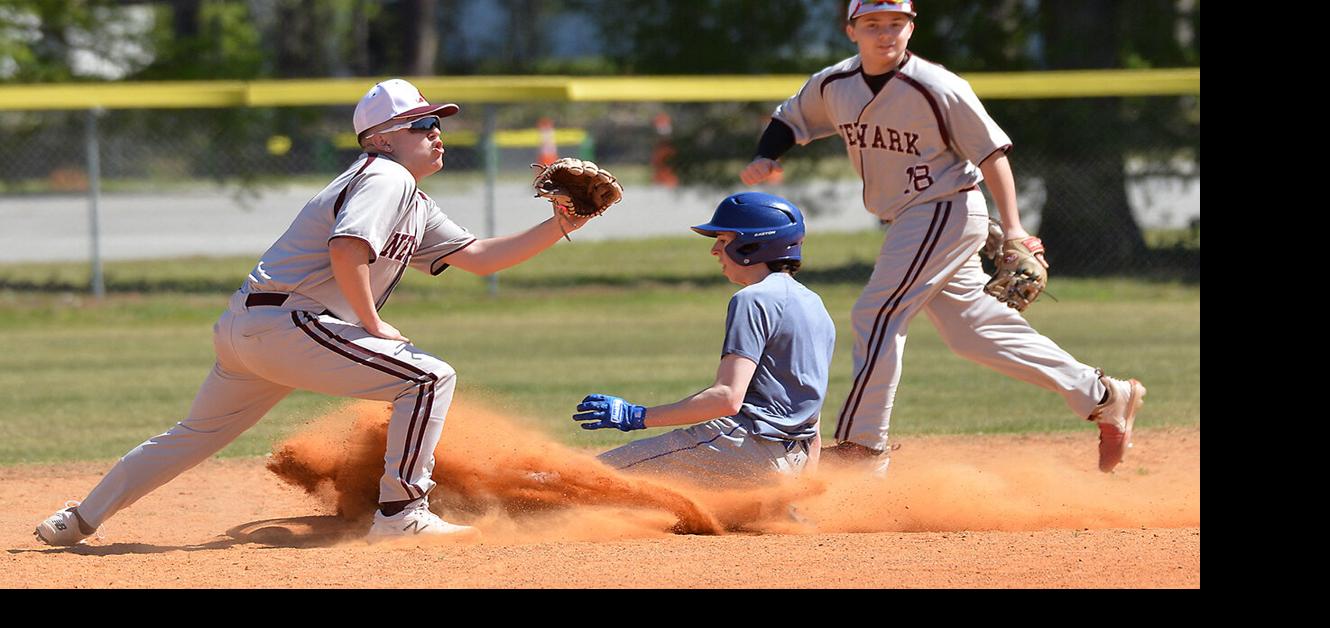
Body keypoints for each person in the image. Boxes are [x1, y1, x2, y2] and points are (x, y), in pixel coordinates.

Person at [35, 78, 595, 546]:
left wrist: (562, 222)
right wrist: (371, 325)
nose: (437, 134)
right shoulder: (386, 176)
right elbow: (347, 249)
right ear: (381, 139)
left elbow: (481, 258)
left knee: (191, 435)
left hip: (251, 328)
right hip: (289, 323)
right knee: (428, 378)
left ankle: (78, 520)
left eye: (438, 123)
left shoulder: (409, 198)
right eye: (422, 125)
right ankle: (401, 515)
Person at [739, 0, 1145, 476]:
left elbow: (992, 153)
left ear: (911, 28)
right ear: (851, 30)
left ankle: (862, 447)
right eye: (872, 24)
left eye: (896, 23)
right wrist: (767, 156)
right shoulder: (834, 84)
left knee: (877, 312)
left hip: (942, 207)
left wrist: (1014, 229)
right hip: (913, 218)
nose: (885, 33)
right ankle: (1103, 395)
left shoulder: (938, 86)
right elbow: (792, 118)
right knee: (973, 333)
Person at [573, 193, 835, 487]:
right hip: (791, 465)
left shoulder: (753, 299)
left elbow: (727, 397)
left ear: (750, 245)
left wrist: (636, 415)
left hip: (740, 450)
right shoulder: (816, 305)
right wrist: (800, 488)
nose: (714, 250)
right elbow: (813, 414)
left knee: (578, 481)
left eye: (723, 240)